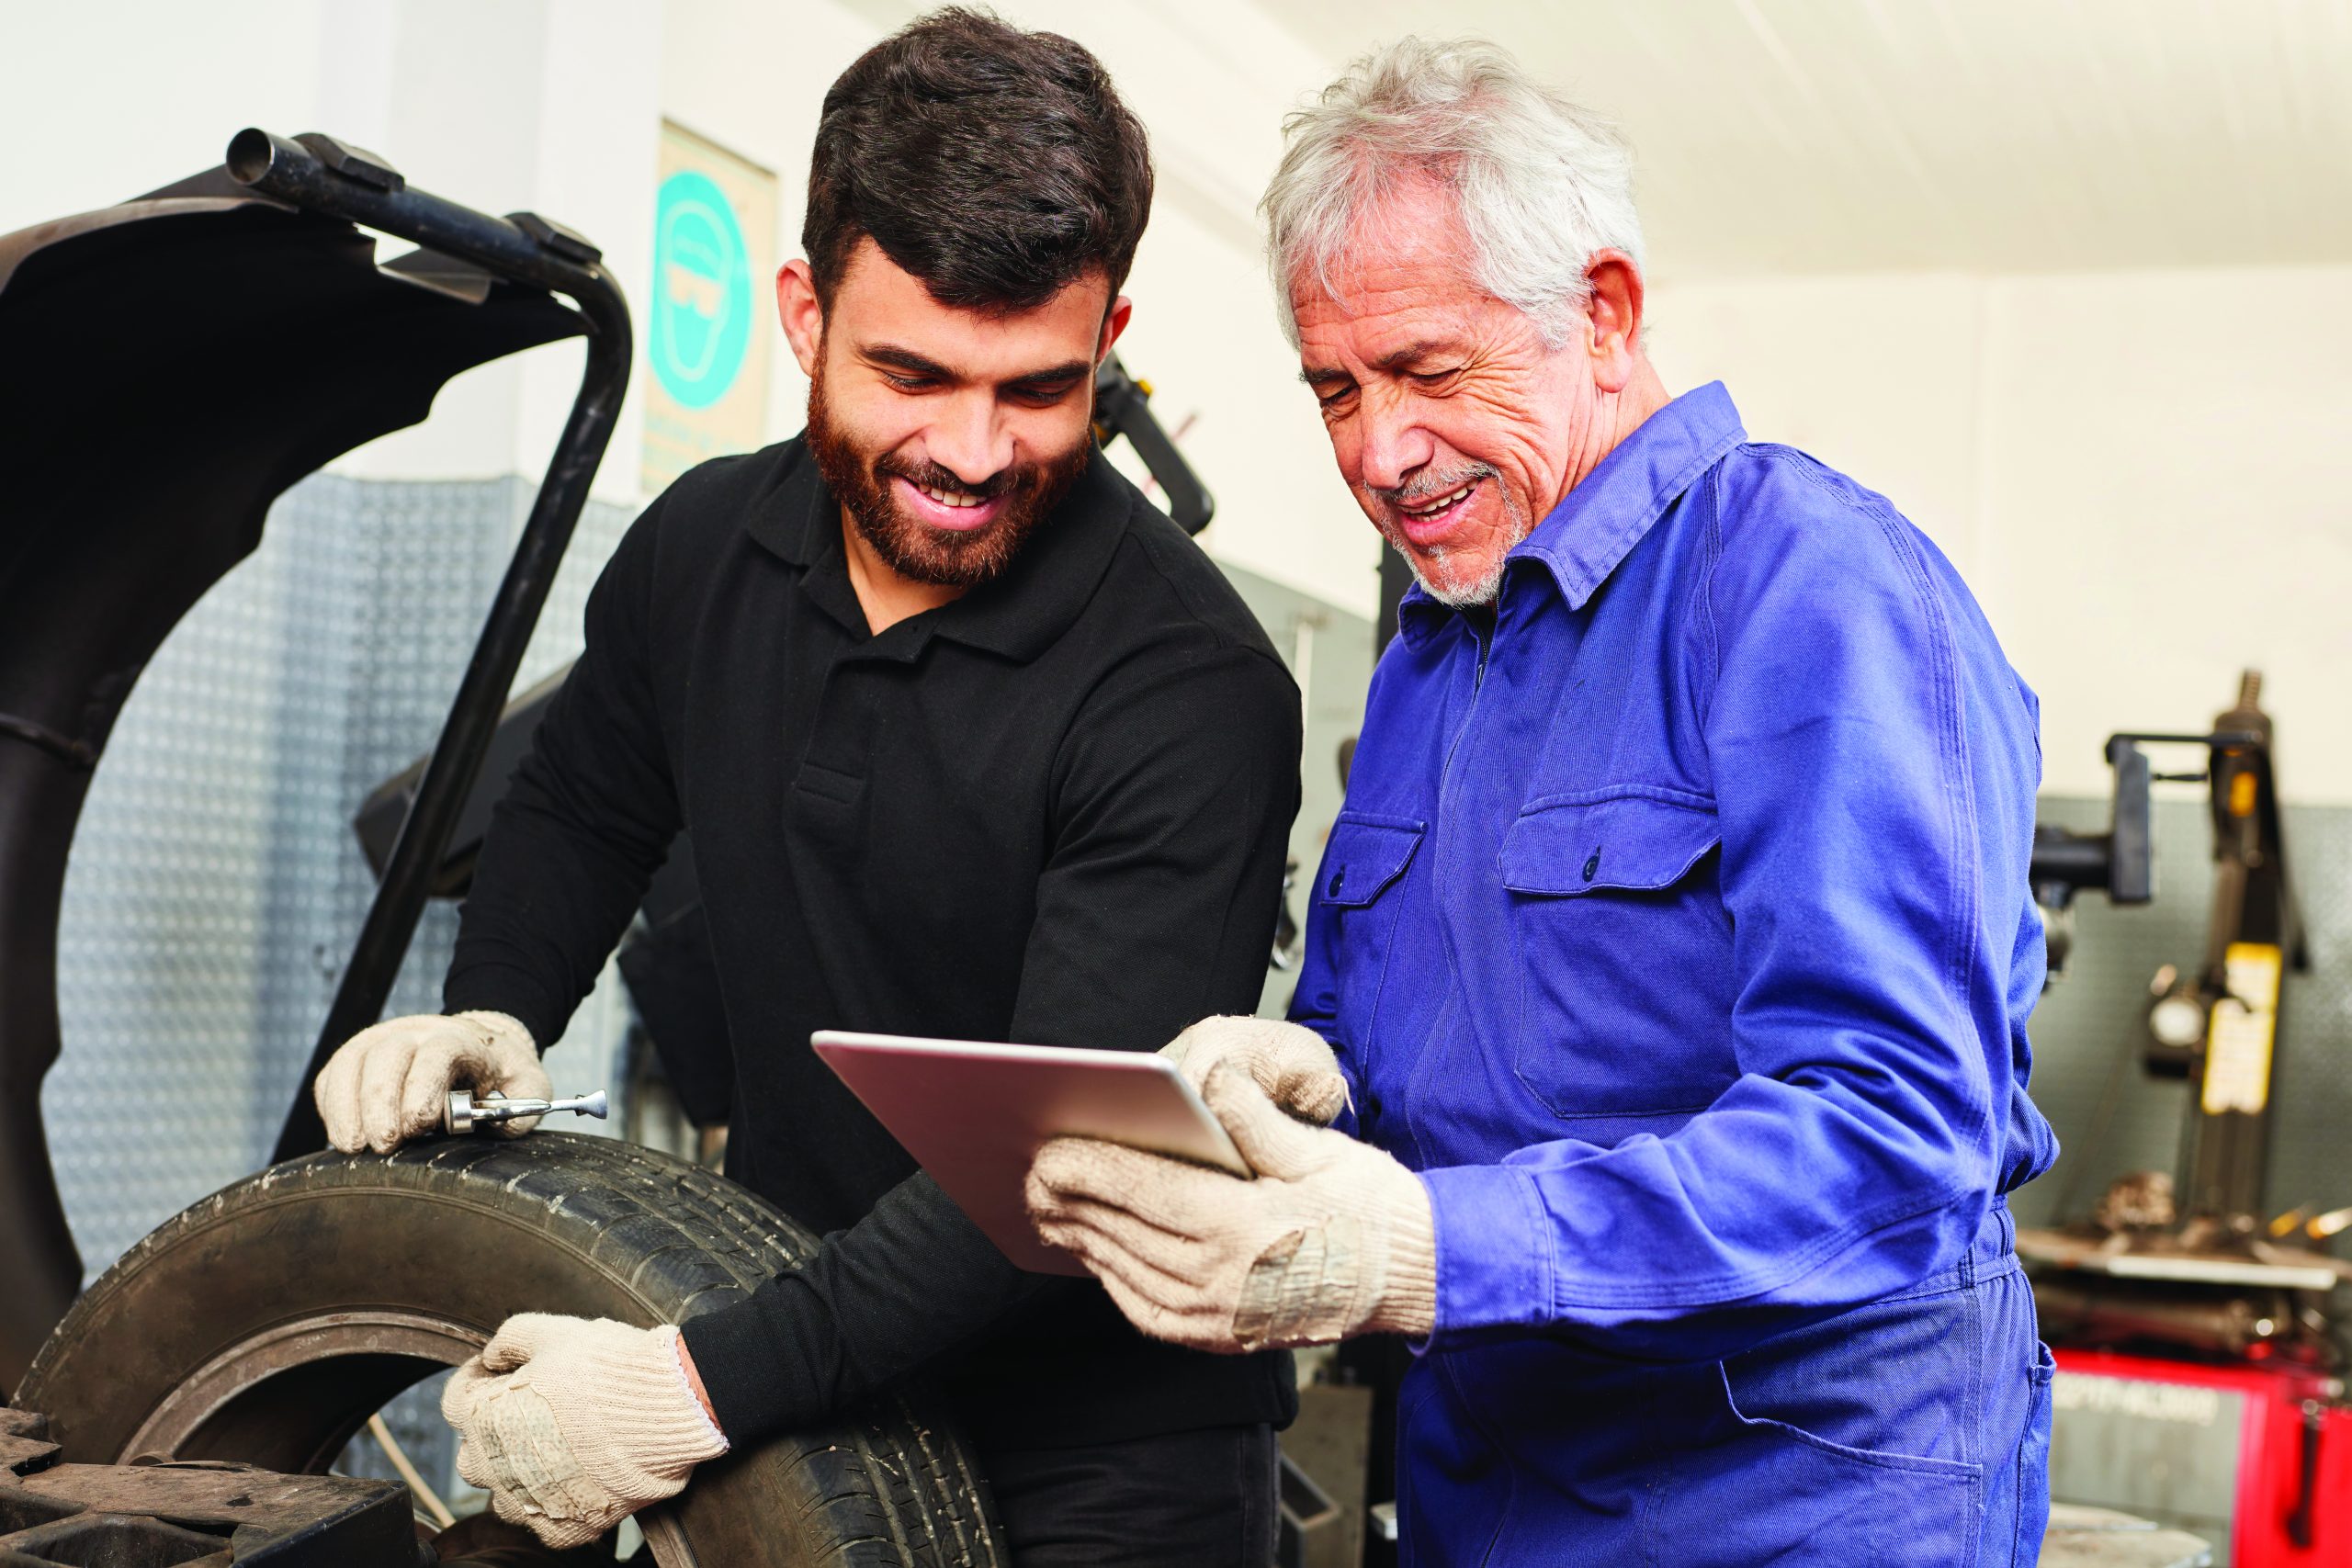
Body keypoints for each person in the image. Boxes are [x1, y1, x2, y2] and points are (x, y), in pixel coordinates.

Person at [1027, 36, 2058, 1567]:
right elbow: (1417, 1072)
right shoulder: (1436, 654)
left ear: (1606, 312)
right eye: (1335, 390)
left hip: (1794, 1502)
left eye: (1431, 371)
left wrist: (1418, 1245)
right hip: (1492, 1488)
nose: (1379, 450)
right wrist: (1305, 1082)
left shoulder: (1808, 587)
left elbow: (1893, 1133)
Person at [310, 11, 1301, 1562]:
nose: (971, 452)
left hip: (1098, 1455)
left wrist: (683, 1392)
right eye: (912, 373)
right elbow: (582, 803)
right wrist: (496, 1004)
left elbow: (1057, 1163)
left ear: (1109, 345)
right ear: (802, 309)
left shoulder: (1191, 686)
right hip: (786, 1350)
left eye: (1036, 390)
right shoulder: (700, 549)